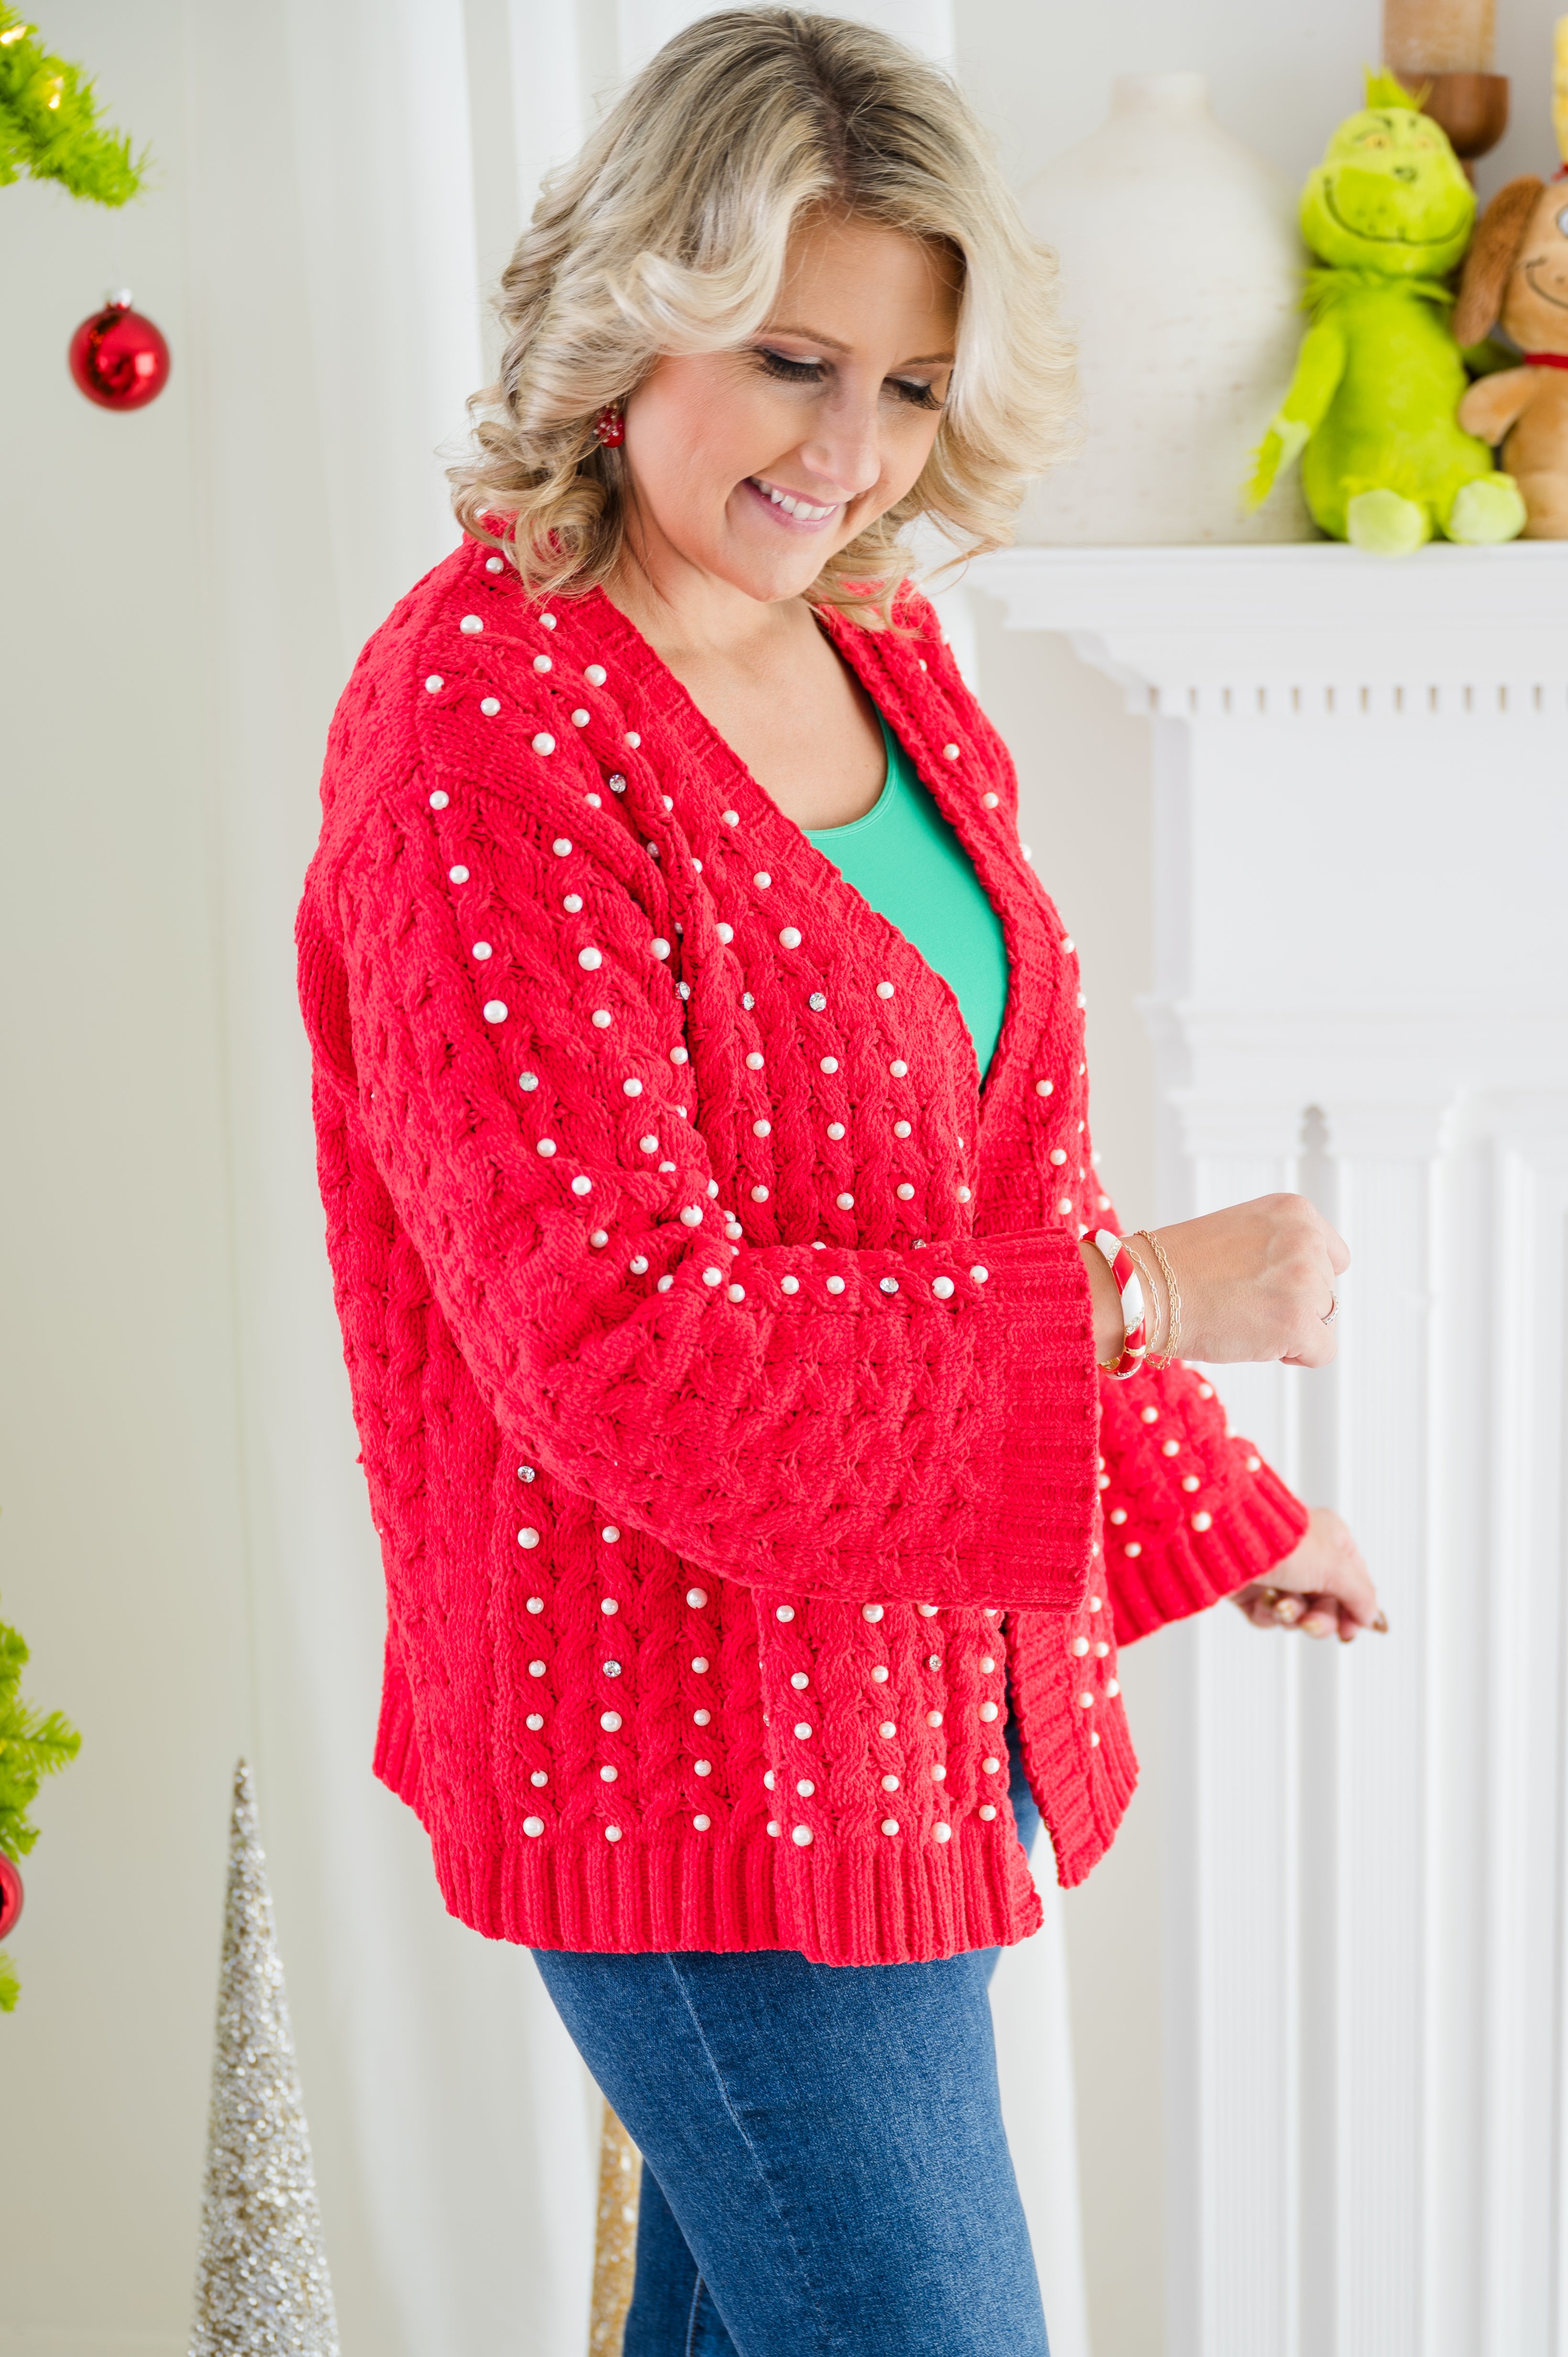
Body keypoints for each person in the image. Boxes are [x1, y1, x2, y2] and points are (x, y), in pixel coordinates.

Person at [296, 13, 1381, 2352]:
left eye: (906, 386)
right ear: (635, 310)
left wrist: (1209, 1493)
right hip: (686, 1743)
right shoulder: (486, 721)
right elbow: (622, 1347)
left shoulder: (878, 645)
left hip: (912, 1718)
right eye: (791, 362)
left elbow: (987, 1180)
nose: (847, 453)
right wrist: (1154, 1304)